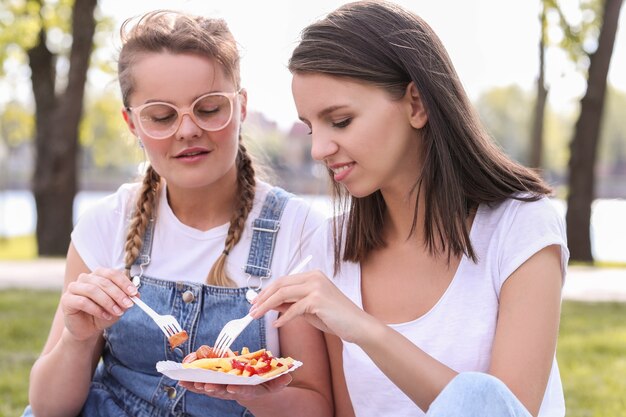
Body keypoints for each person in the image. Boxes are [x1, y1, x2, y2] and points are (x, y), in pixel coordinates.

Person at [250, 1, 568, 417]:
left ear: (416, 104)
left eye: (340, 121)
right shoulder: (332, 247)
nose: (318, 149)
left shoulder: (521, 226)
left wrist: (364, 330)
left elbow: (501, 410)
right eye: (312, 127)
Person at [24, 10, 332, 417]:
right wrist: (77, 339)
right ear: (132, 123)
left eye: (208, 108)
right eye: (162, 116)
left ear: (241, 106)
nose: (187, 130)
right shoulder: (106, 223)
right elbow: (46, 409)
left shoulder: (298, 231)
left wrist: (249, 388)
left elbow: (316, 406)